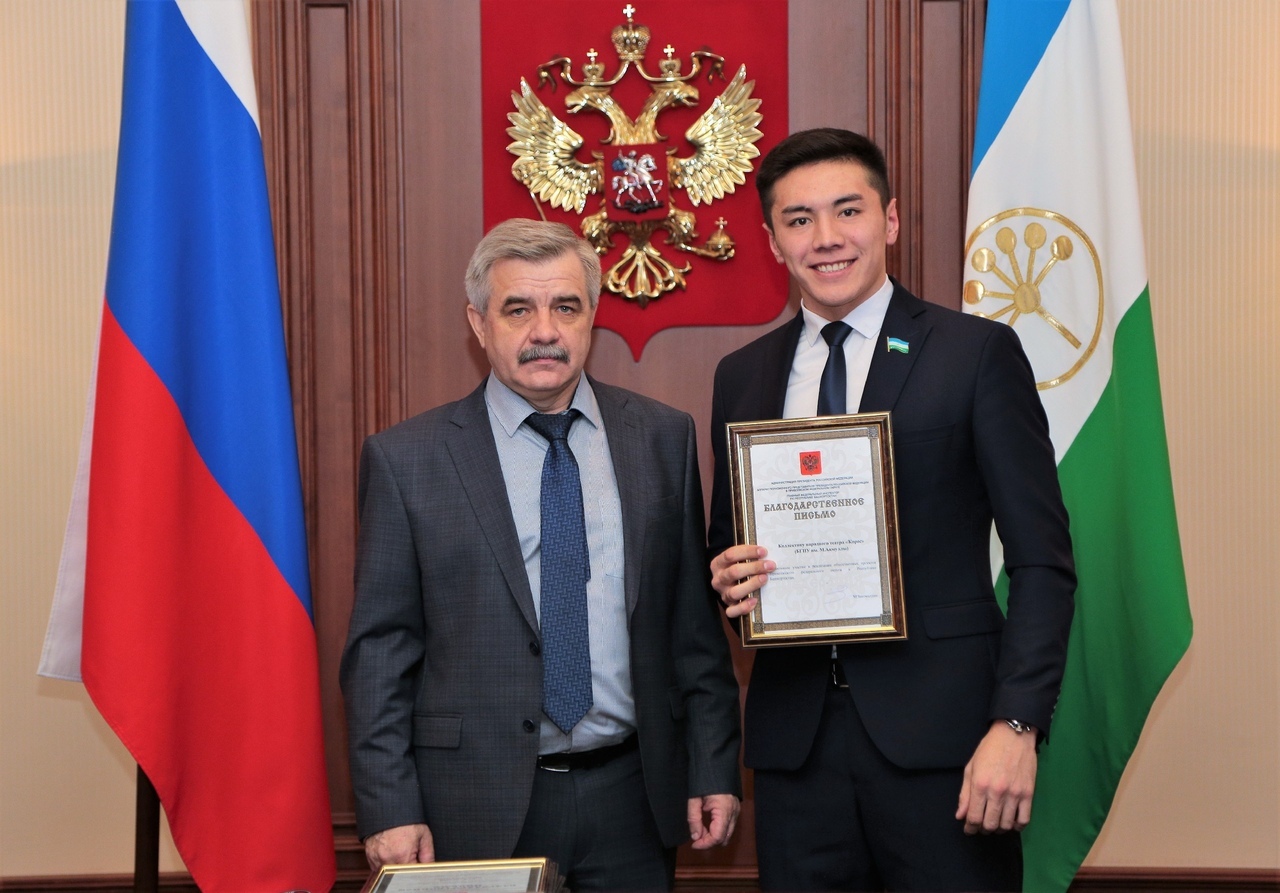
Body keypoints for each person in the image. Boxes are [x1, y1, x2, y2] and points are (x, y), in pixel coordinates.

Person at [707, 128, 1076, 891]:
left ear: (892, 219)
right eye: (800, 219)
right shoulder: (742, 376)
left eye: (849, 210)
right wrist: (730, 579)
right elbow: (726, 545)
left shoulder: (975, 353)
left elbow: (1043, 561)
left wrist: (1017, 724)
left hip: (950, 747)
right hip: (796, 755)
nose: (826, 237)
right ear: (773, 241)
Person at [341, 218, 742, 891]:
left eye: (566, 307)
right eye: (517, 309)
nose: (545, 331)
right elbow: (380, 651)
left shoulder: (661, 437)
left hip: (634, 798)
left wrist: (712, 765)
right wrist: (389, 804)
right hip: (472, 802)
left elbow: (691, 632)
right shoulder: (407, 460)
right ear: (478, 323)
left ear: (592, 316)